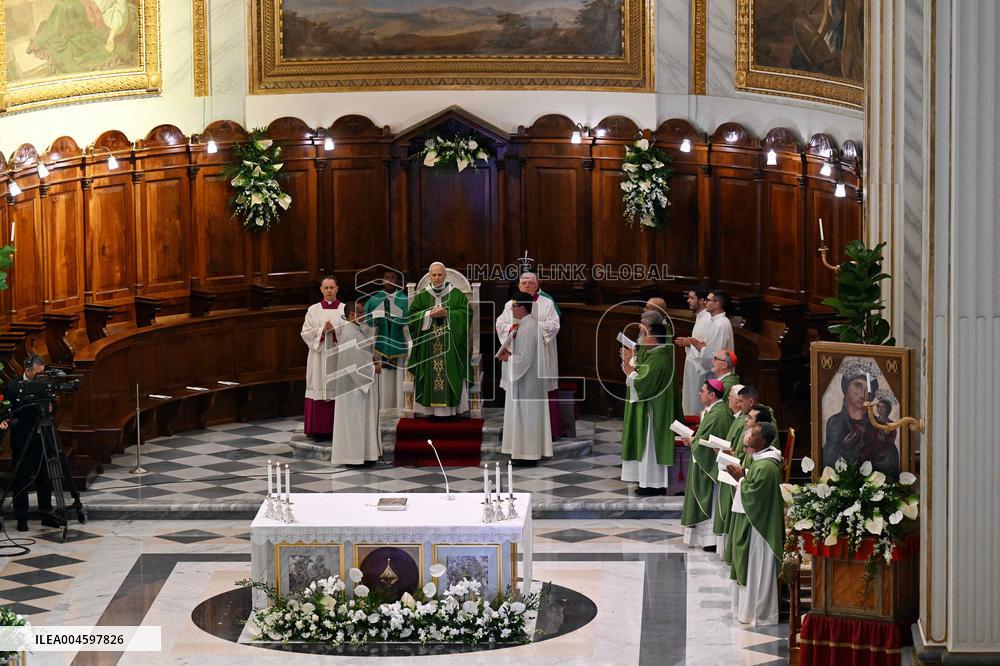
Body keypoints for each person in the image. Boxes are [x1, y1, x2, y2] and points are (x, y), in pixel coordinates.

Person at [726, 421, 785, 625]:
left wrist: (740, 480)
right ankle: (749, 611)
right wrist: (743, 477)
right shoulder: (759, 461)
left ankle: (760, 614)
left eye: (754, 435)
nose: (749, 437)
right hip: (757, 522)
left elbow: (754, 494)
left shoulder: (766, 467)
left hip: (761, 530)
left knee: (757, 569)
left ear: (764, 440)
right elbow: (752, 485)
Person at [496, 272, 561, 437]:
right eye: (523, 282)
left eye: (530, 283)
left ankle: (544, 432)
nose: (526, 285)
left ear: (537, 284)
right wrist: (512, 329)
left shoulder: (547, 303)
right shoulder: (511, 304)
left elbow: (553, 326)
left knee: (538, 391)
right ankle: (516, 432)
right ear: (518, 285)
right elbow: (501, 323)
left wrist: (527, 327)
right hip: (516, 351)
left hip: (541, 355)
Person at [620, 322, 681, 495]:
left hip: (655, 411)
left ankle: (653, 484)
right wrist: (631, 362)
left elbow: (643, 384)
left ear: (653, 340)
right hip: (652, 407)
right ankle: (647, 481)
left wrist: (630, 369)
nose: (641, 337)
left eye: (644, 334)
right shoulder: (653, 353)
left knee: (651, 448)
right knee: (647, 448)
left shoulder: (659, 358)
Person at [408, 262, 471, 417]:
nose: (437, 278)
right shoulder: (422, 296)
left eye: (440, 274)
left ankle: (451, 410)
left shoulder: (456, 294)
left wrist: (448, 314)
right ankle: (428, 411)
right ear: (430, 276)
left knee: (452, 371)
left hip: (451, 346)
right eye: (434, 275)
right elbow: (411, 318)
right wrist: (428, 314)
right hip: (427, 346)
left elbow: (466, 314)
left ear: (445, 275)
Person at [4, 355, 60, 532]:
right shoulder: (12, 386)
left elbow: (53, 408)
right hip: (22, 437)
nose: (40, 377)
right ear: (28, 370)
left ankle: (46, 513)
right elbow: (6, 408)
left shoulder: (45, 384)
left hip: (42, 435)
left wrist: (51, 406)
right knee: (21, 476)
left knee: (44, 475)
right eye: (38, 374)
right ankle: (21, 516)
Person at [499, 292, 553, 464]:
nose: (511, 309)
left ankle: (527, 455)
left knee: (527, 417)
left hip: (526, 382)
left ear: (522, 308)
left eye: (513, 306)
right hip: (526, 381)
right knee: (525, 417)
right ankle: (523, 453)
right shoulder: (525, 325)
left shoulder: (528, 328)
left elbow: (526, 358)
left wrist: (509, 358)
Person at [680, 379, 734, 549]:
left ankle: (710, 541)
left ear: (712, 395)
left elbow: (713, 440)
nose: (699, 393)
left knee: (710, 502)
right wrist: (695, 440)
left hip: (711, 467)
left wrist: (693, 441)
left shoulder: (719, 414)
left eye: (702, 391)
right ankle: (707, 540)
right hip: (707, 461)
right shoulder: (714, 411)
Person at [329, 302, 380, 466]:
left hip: (356, 386)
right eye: (361, 312)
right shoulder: (350, 332)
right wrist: (373, 367)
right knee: (355, 421)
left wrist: (372, 359)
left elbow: (363, 353)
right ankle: (354, 457)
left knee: (359, 420)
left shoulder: (355, 329)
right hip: (354, 388)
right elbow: (354, 361)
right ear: (352, 315)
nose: (364, 315)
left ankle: (364, 455)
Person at [823, 371, 900, 477]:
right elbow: (827, 463)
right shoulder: (835, 423)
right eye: (857, 385)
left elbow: (891, 461)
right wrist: (843, 448)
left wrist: (880, 448)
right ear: (846, 388)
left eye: (867, 389)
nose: (863, 395)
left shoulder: (880, 426)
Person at [300, 276, 346, 439]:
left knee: (336, 389)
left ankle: (337, 429)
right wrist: (322, 331)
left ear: (337, 289)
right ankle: (318, 429)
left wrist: (334, 331)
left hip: (337, 357)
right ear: (321, 289)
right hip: (318, 358)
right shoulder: (313, 310)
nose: (329, 291)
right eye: (326, 288)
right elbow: (305, 332)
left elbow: (351, 332)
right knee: (318, 387)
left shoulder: (344, 309)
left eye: (331, 288)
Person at [364, 270, 409, 413]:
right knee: (383, 377)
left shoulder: (404, 299)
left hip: (398, 344)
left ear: (397, 282)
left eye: (392, 278)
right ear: (382, 280)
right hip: (380, 345)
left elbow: (411, 320)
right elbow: (364, 320)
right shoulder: (374, 299)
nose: (389, 280)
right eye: (386, 277)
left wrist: (398, 319)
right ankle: (383, 406)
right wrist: (376, 319)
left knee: (398, 377)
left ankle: (399, 405)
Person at [713, 383, 745, 558]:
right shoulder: (737, 419)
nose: (728, 402)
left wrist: (728, 453)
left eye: (731, 399)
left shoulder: (741, 421)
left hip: (736, 472)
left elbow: (742, 450)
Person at [675, 285, 712, 415]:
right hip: (692, 366)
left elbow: (707, 346)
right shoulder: (700, 316)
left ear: (702, 300)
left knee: (696, 404)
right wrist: (689, 342)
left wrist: (689, 343)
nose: (688, 300)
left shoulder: (708, 319)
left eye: (691, 298)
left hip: (700, 369)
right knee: (690, 401)